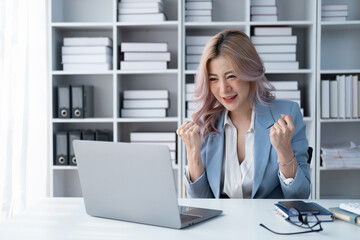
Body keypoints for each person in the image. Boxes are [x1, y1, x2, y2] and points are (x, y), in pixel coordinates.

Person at [177, 30, 310, 199]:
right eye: (213, 79)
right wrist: (193, 152)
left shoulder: (286, 116)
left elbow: (300, 195)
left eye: (231, 76)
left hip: (268, 222)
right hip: (221, 224)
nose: (224, 89)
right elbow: (201, 202)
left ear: (250, 73)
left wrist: (284, 151)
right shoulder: (205, 122)